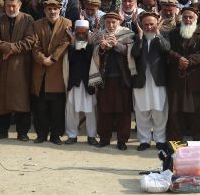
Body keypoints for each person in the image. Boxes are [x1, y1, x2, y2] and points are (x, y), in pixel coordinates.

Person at [0, 0, 36, 141]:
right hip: (1, 65)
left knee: (21, 101)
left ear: (19, 5)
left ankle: (22, 133)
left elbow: (30, 41)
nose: (11, 9)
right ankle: (1, 131)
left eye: (13, 6)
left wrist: (11, 49)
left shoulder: (28, 19)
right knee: (1, 101)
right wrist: (6, 48)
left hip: (21, 67)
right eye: (8, 6)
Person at [167, 6, 200, 140]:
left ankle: (199, 140)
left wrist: (188, 61)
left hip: (195, 78)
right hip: (177, 77)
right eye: (185, 17)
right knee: (175, 111)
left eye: (190, 17)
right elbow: (167, 51)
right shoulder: (173, 34)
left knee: (197, 111)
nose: (187, 19)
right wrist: (178, 59)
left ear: (196, 18)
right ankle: (174, 140)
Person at [31, 0, 72, 145]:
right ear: (45, 10)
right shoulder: (36, 24)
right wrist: (43, 59)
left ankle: (56, 135)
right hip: (41, 69)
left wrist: (53, 58)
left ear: (60, 9)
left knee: (57, 107)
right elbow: (34, 45)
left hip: (57, 69)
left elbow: (66, 42)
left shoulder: (67, 23)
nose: (52, 12)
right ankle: (41, 134)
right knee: (40, 106)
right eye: (49, 9)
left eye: (55, 9)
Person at [95, 11, 135, 150]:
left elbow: (129, 51)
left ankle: (122, 140)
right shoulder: (100, 35)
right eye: (108, 22)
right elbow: (95, 54)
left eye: (114, 22)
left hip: (122, 79)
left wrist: (115, 44)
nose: (111, 25)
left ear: (119, 22)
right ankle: (104, 138)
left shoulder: (127, 34)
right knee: (104, 110)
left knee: (123, 111)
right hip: (105, 78)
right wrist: (101, 47)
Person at [131, 11, 171, 151]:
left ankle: (160, 139)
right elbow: (135, 53)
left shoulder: (163, 36)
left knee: (159, 111)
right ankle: (144, 140)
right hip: (141, 80)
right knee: (142, 111)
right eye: (146, 25)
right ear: (141, 25)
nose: (149, 27)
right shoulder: (136, 37)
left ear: (157, 24)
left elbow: (166, 49)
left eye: (152, 24)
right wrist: (141, 38)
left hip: (158, 80)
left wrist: (158, 33)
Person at [64, 20, 99, 146]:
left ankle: (91, 136)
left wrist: (90, 42)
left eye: (84, 32)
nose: (81, 34)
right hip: (74, 83)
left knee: (90, 111)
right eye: (78, 32)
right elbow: (71, 59)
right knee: (71, 110)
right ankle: (72, 135)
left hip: (88, 83)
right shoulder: (71, 45)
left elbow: (90, 59)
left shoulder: (92, 45)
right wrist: (73, 41)